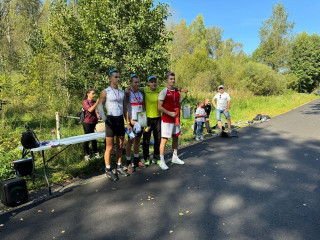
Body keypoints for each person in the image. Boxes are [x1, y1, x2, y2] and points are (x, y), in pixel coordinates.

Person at [97, 69, 130, 181]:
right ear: (110, 79)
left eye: (119, 77)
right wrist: (104, 118)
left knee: (120, 145)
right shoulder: (105, 92)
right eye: (115, 77)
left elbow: (125, 108)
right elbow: (100, 106)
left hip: (120, 120)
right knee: (110, 147)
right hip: (111, 120)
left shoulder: (122, 92)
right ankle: (108, 169)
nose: (118, 79)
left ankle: (119, 166)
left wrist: (128, 122)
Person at [158, 72, 185, 170]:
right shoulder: (163, 92)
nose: (172, 80)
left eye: (173, 79)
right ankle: (161, 161)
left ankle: (175, 157)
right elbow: (159, 107)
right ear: (166, 80)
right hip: (167, 120)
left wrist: (186, 109)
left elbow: (179, 105)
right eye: (170, 79)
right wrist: (169, 113)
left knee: (176, 137)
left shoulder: (178, 92)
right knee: (164, 140)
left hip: (176, 120)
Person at [125, 74, 145, 172]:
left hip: (140, 120)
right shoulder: (128, 93)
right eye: (135, 82)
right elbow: (126, 108)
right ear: (131, 83)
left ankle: (136, 160)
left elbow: (143, 107)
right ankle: (128, 162)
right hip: (132, 121)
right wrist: (128, 122)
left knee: (138, 141)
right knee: (130, 142)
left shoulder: (141, 93)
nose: (137, 84)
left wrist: (144, 121)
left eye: (138, 82)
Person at [82, 89, 101, 161]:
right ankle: (86, 154)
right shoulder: (85, 102)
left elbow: (96, 110)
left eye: (94, 93)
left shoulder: (93, 102)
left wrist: (98, 115)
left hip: (94, 122)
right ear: (88, 94)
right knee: (87, 138)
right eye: (92, 93)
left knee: (94, 138)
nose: (94, 95)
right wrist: (96, 103)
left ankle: (95, 152)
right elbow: (90, 110)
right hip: (87, 122)